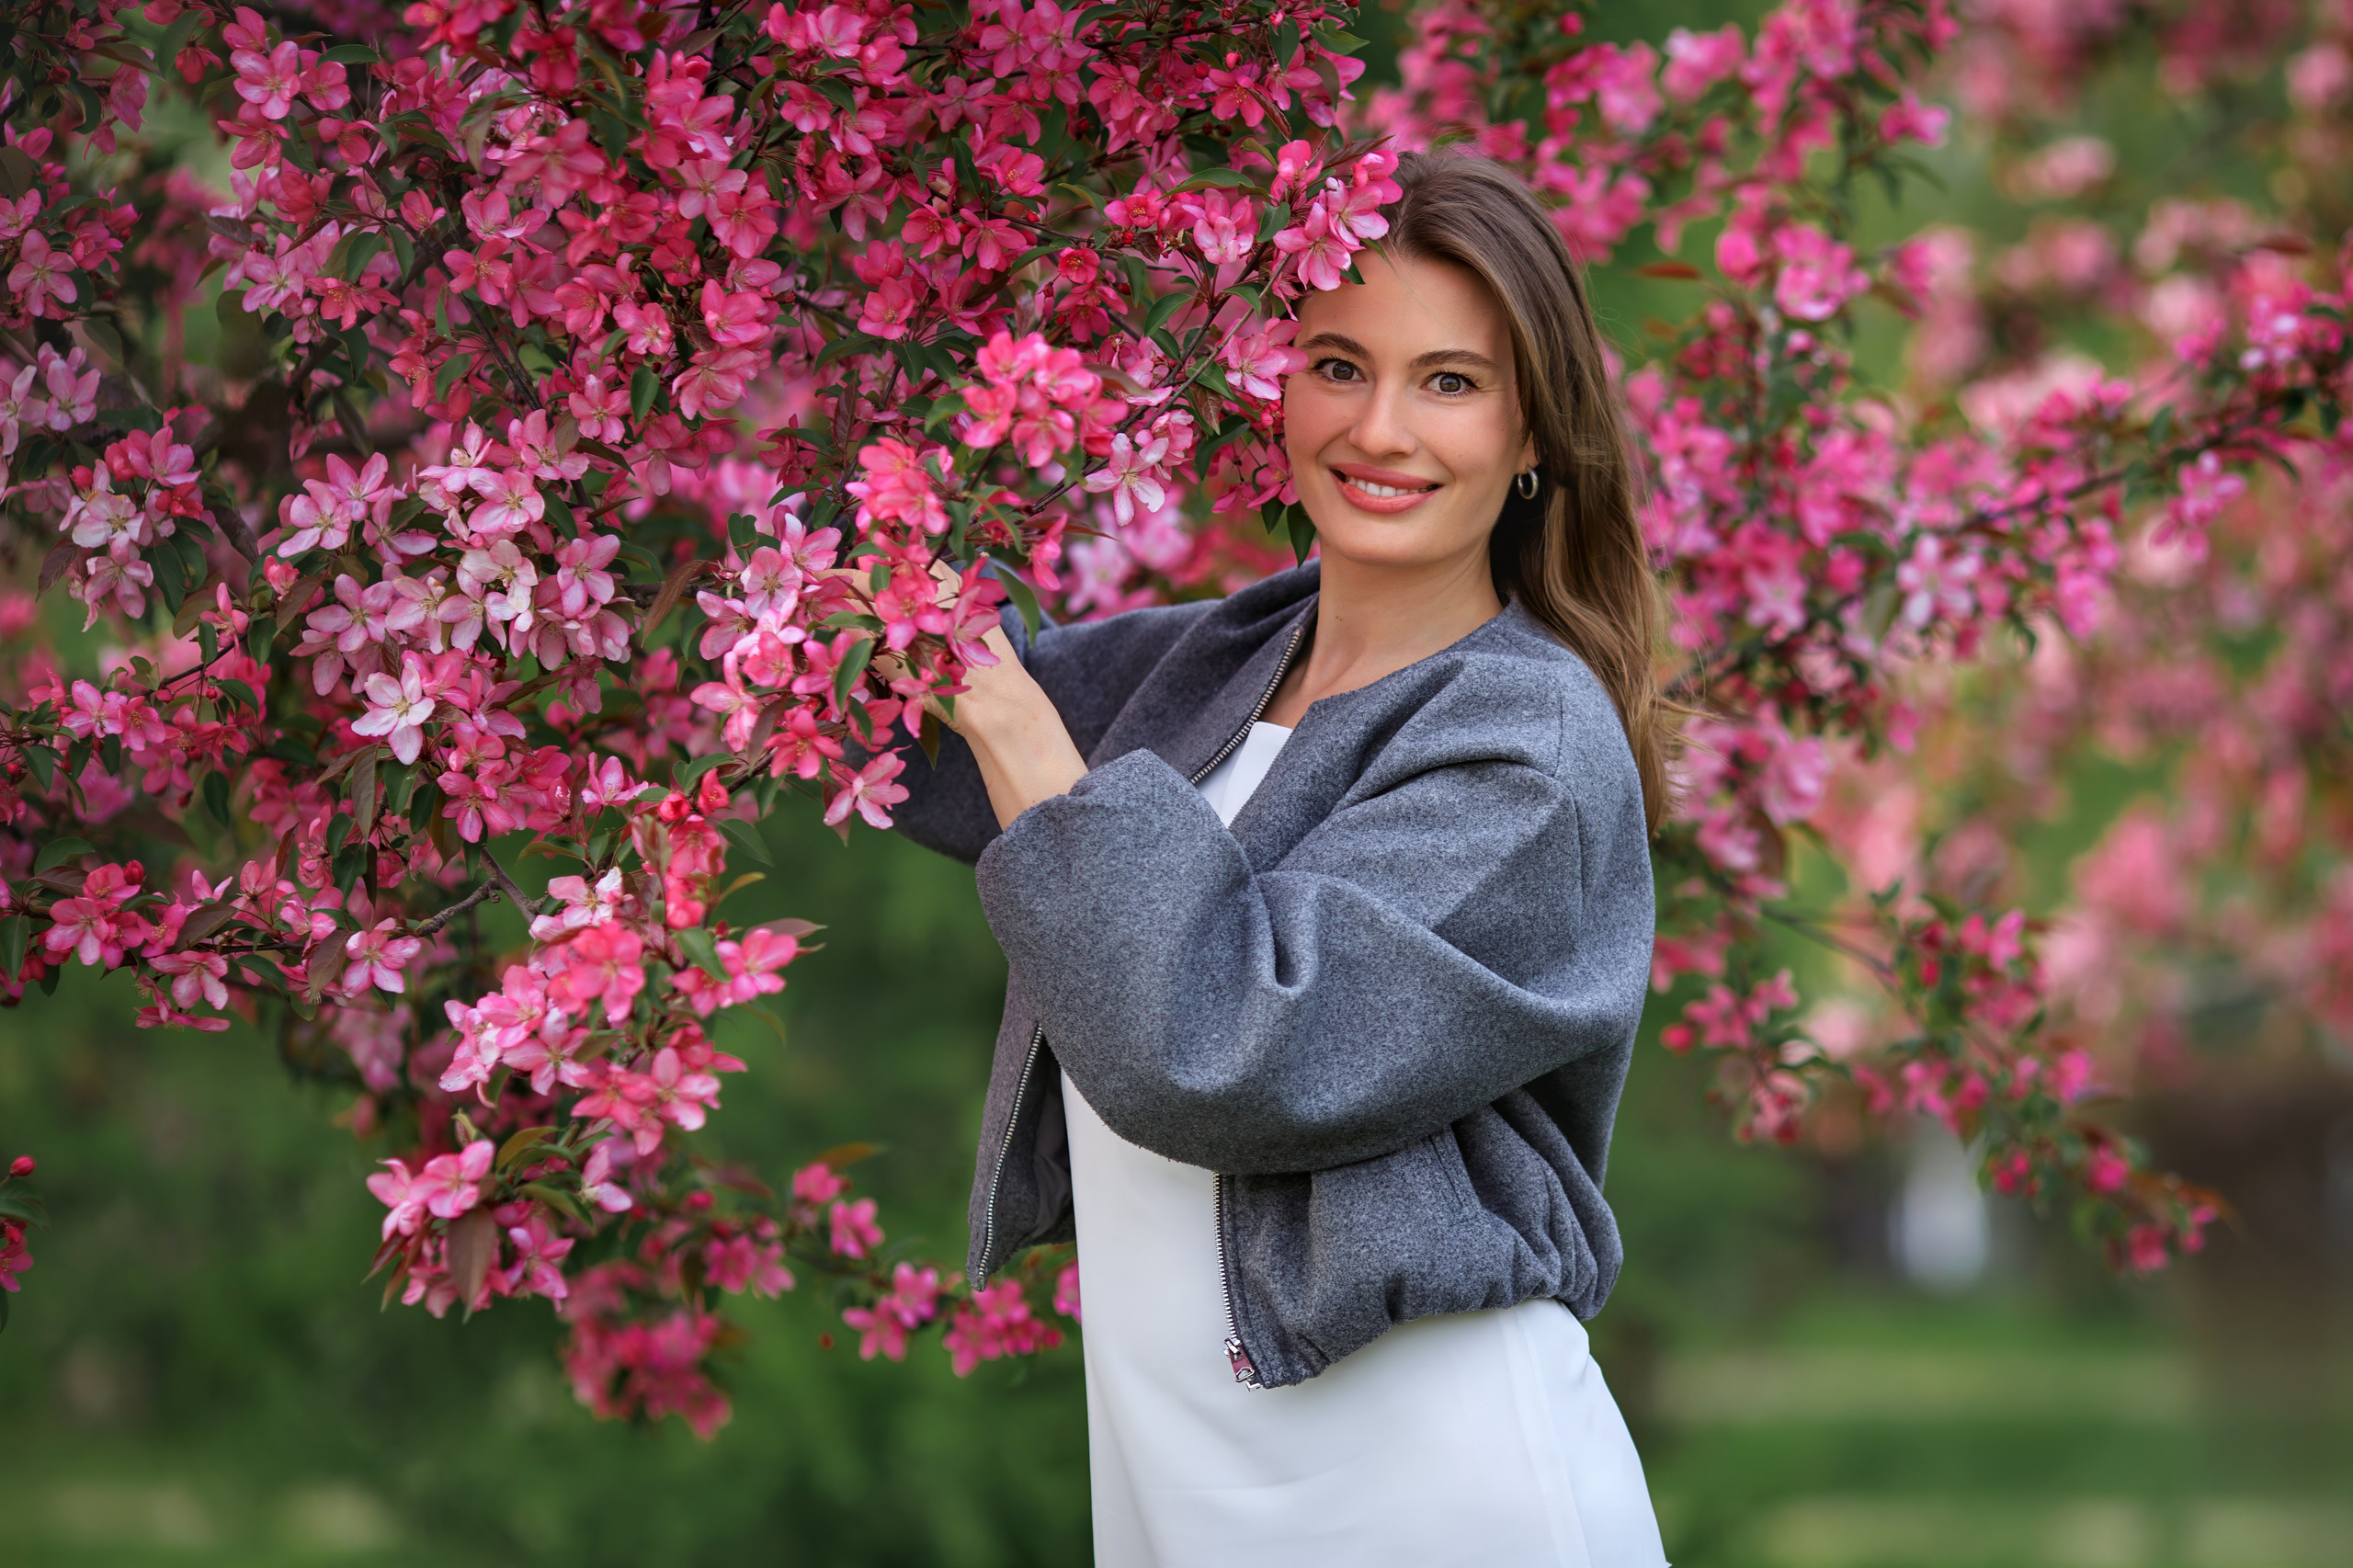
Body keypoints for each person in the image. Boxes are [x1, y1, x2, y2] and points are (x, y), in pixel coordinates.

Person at [888, 150, 1672, 1567]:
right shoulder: (1231, 654)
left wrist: (1006, 716)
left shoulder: (1526, 743)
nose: (1380, 428)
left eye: (1449, 381)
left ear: (1533, 432)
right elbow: (912, 734)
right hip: (1185, 1470)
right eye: (1337, 364)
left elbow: (1222, 1041)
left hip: (1428, 1479)